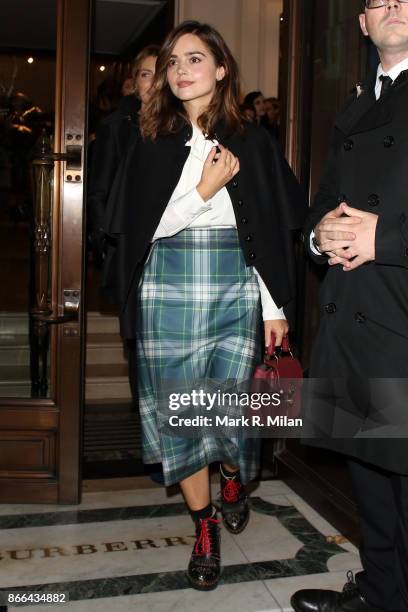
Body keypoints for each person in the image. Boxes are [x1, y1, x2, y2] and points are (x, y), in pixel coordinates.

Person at [99, 20, 307, 591]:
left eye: (195, 58)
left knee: (232, 414)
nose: (182, 69)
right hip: (166, 287)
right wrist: (201, 193)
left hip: (237, 286)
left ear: (221, 69)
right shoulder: (147, 142)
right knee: (181, 417)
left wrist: (274, 306)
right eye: (173, 61)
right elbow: (140, 232)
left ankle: (235, 474)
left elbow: (267, 233)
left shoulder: (255, 141)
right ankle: (204, 525)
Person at [292, 1, 408, 611]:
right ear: (363, 25)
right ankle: (380, 594)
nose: (391, 7)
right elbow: (326, 201)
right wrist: (319, 236)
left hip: (402, 311)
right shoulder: (356, 106)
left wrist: (381, 238)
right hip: (352, 316)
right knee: (370, 478)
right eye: (377, 0)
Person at [88, 44, 159, 258]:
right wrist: (106, 246)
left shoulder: (182, 127)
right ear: (135, 82)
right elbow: (99, 192)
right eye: (146, 74)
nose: (154, 83)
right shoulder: (115, 126)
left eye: (161, 74)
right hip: (124, 242)